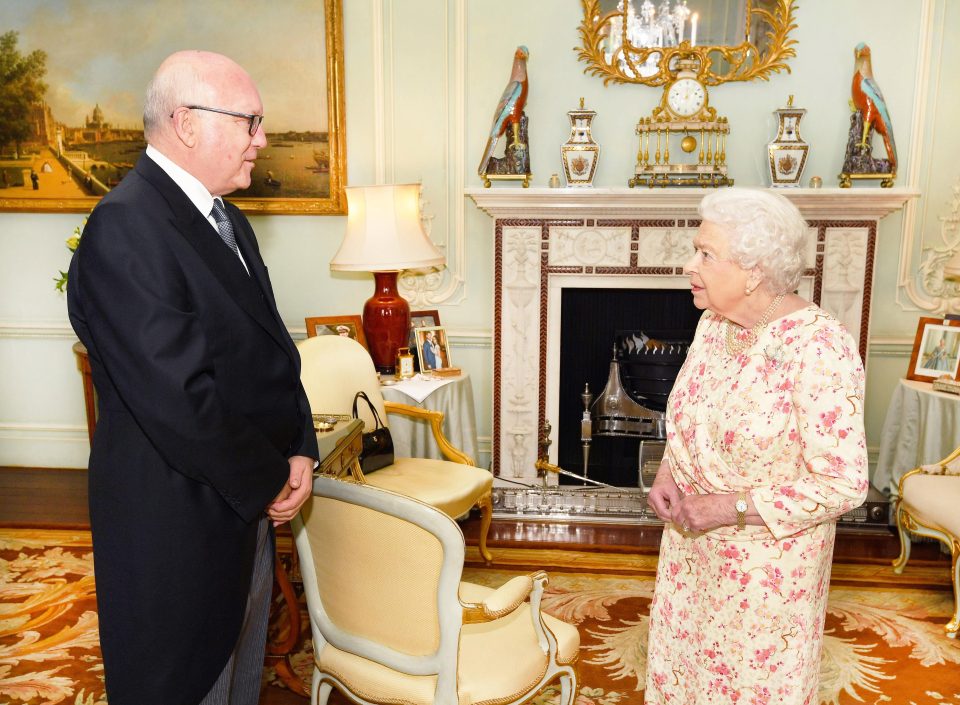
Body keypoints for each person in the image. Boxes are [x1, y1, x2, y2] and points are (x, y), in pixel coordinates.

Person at [66, 50, 318, 705]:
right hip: (176, 528)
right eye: (250, 121)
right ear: (186, 124)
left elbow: (271, 352)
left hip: (242, 508)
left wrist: (298, 446)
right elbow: (181, 401)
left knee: (238, 681)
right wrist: (268, 478)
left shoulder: (224, 215)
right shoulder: (127, 227)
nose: (261, 139)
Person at [645, 188, 868, 704]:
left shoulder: (819, 347)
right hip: (690, 551)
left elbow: (843, 482)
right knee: (685, 675)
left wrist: (728, 508)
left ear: (754, 270)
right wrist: (669, 473)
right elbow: (692, 414)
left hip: (766, 575)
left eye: (705, 254)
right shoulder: (712, 324)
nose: (688, 265)